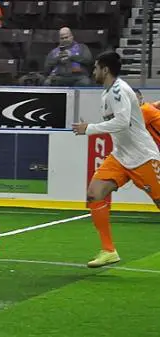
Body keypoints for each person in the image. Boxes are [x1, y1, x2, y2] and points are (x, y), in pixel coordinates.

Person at [72, 52, 160, 268]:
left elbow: (121, 122)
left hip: (142, 156)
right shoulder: (107, 93)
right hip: (121, 156)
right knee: (95, 192)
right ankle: (108, 250)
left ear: (105, 70)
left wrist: (89, 129)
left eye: (95, 68)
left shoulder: (119, 91)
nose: (93, 72)